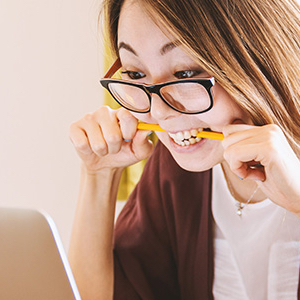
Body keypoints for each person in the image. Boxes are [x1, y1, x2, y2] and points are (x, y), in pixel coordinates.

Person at [68, 0, 300, 299]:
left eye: (186, 73)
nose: (159, 111)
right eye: (136, 74)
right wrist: (97, 175)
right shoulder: (176, 167)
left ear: (261, 55)